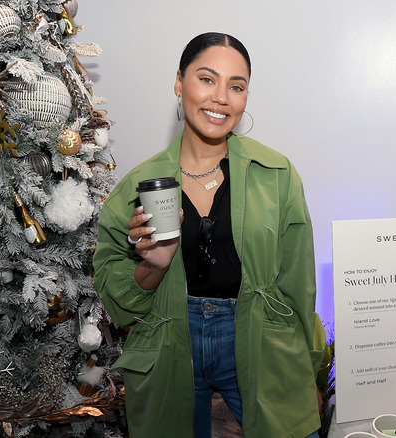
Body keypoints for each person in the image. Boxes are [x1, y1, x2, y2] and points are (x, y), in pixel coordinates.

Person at [93, 32, 326, 438]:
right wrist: (154, 266)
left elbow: (299, 286)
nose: (221, 97)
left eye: (236, 86)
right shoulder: (138, 187)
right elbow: (120, 306)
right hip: (169, 346)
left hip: (260, 338)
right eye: (206, 79)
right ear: (179, 83)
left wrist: (309, 368)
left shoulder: (277, 175)